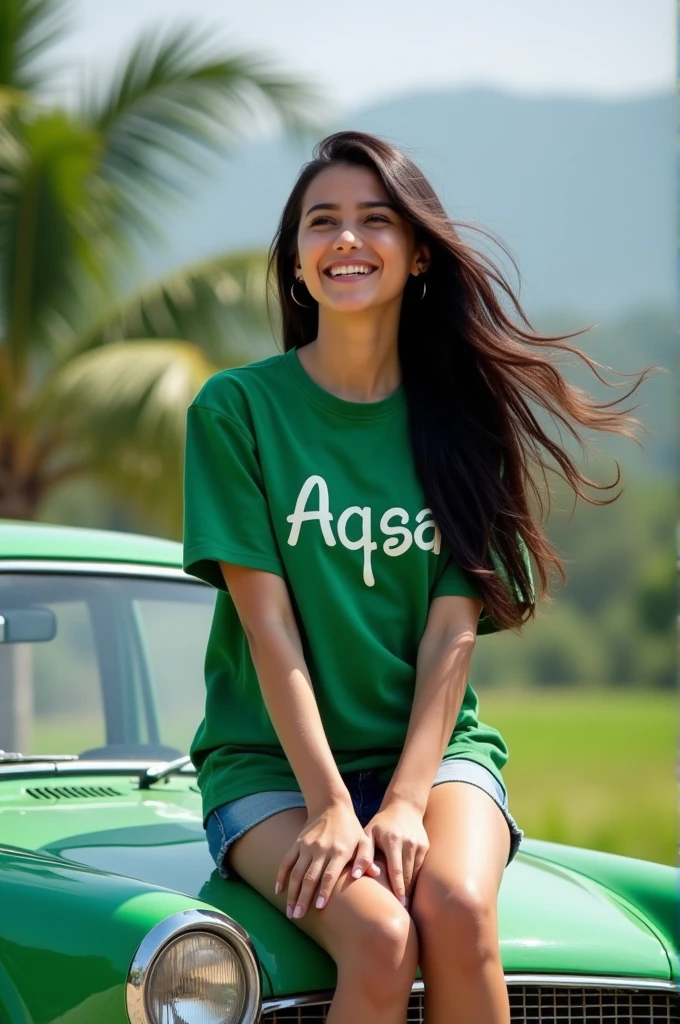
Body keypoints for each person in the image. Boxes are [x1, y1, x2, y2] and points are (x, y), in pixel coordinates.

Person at [182, 130, 648, 1024]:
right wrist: (328, 806)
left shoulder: (464, 422)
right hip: (271, 770)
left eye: (375, 220)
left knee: (460, 908)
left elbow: (451, 633)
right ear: (295, 264)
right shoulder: (236, 411)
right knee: (380, 938)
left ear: (419, 251)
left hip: (437, 762)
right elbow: (267, 628)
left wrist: (401, 801)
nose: (347, 240)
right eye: (323, 223)